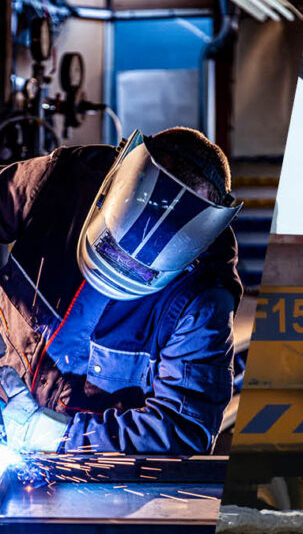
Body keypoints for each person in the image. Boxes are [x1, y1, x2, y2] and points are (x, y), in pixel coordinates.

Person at [0, 127, 242, 454]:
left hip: (84, 466)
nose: (124, 267)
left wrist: (55, 435)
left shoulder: (202, 296)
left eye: (141, 268)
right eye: (113, 249)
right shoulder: (63, 180)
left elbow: (184, 430)